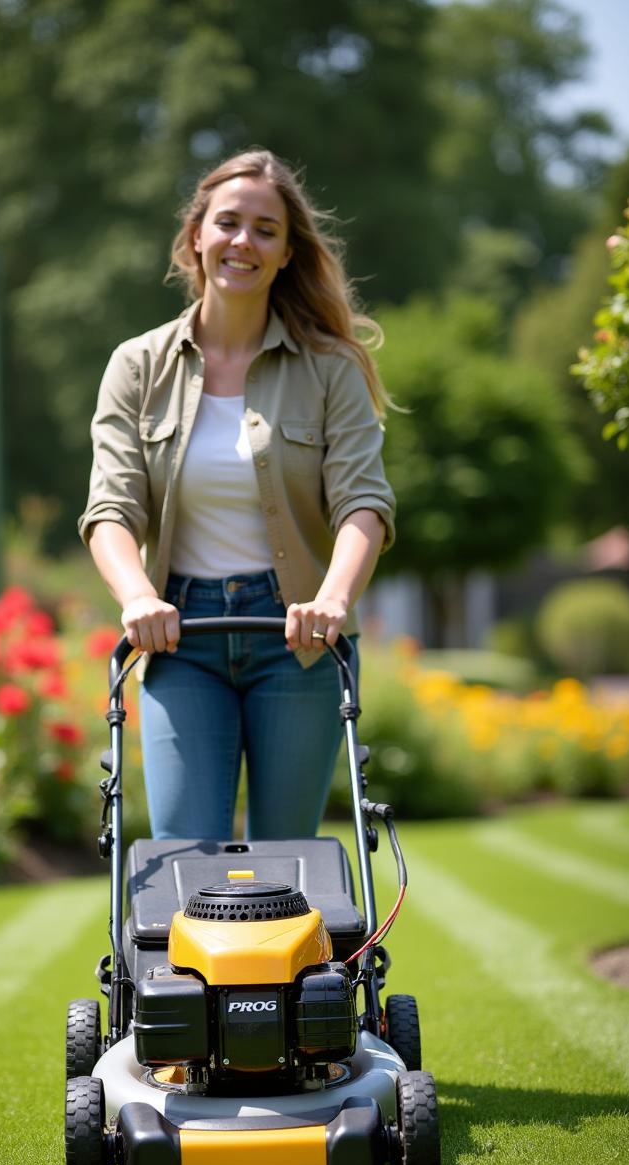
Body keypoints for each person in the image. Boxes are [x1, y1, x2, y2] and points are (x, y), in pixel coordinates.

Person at [79, 149, 395, 841]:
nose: (242, 242)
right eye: (228, 223)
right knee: (185, 855)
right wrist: (137, 598)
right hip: (181, 635)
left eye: (264, 229)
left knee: (288, 864)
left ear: (286, 253)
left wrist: (333, 602)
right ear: (196, 235)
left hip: (300, 642)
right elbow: (110, 509)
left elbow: (363, 504)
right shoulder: (137, 366)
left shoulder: (330, 370)